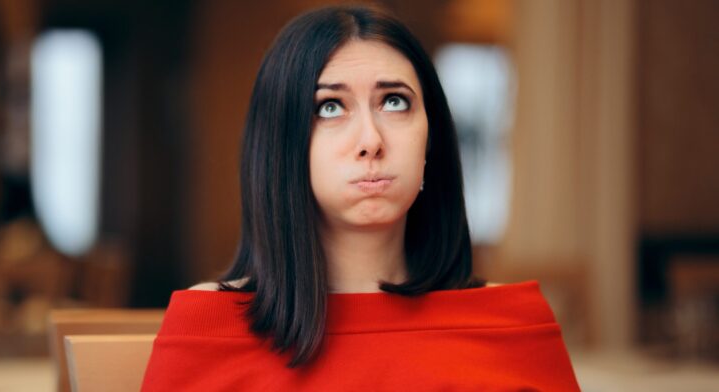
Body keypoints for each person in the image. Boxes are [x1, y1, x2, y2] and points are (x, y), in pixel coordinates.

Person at [141, 5, 580, 391]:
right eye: (330, 107)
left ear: (431, 139)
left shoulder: (513, 323)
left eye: (394, 102)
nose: (370, 140)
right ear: (282, 146)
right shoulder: (208, 329)